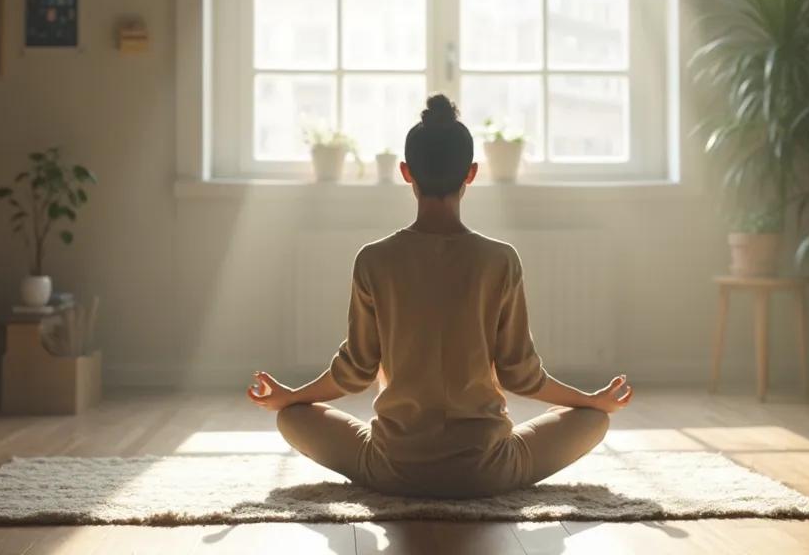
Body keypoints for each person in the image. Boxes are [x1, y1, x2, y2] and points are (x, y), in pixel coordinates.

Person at [246, 94, 633, 499]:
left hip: (392, 468)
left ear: (405, 172)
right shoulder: (500, 260)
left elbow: (355, 371)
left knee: (291, 418)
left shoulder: (374, 260)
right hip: (488, 470)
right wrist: (591, 400)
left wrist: (290, 397)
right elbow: (521, 375)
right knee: (594, 421)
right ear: (471, 174)